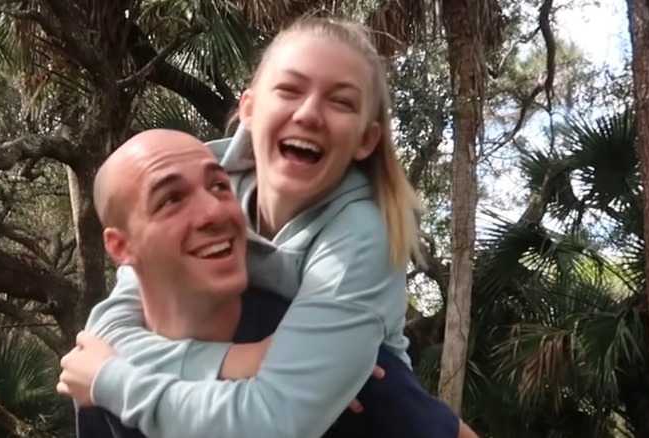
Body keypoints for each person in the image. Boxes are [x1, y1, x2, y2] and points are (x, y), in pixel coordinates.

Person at [59, 15, 477, 438]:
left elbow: (274, 421)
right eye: (290, 90)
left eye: (341, 102)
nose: (310, 113)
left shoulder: (363, 233)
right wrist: (236, 360)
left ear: (366, 140)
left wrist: (111, 380)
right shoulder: (205, 181)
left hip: (365, 405)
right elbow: (109, 328)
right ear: (250, 110)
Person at [65, 128, 431, 438]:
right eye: (172, 199)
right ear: (121, 246)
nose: (214, 211)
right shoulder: (97, 376)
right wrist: (237, 361)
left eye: (220, 186)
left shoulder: (322, 347)